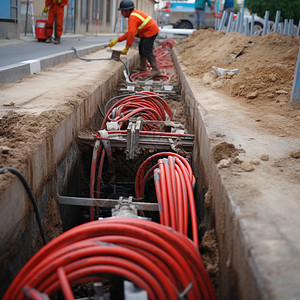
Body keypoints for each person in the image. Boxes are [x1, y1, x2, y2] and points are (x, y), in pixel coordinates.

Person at [108, 0, 160, 77]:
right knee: (141, 48)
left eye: (122, 11)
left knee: (147, 50)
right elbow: (130, 33)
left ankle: (156, 69)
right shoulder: (133, 15)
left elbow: (131, 34)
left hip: (150, 32)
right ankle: (143, 67)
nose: (121, 13)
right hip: (147, 32)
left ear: (128, 11)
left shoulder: (132, 17)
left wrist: (127, 47)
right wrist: (117, 40)